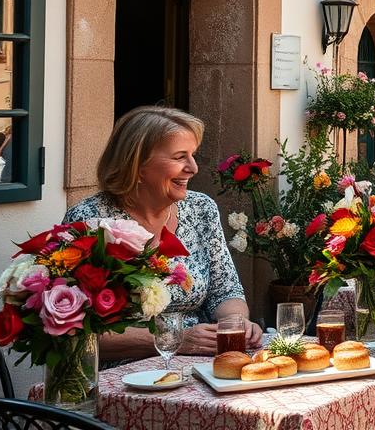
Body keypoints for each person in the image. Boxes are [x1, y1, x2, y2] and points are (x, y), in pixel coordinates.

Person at [64, 107, 260, 361]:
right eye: (180, 157)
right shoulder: (90, 221)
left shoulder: (200, 208)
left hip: (201, 363)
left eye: (193, 155)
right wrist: (175, 338)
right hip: (124, 374)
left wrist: (235, 323)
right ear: (138, 164)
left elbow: (225, 290)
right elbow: (76, 329)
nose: (193, 167)